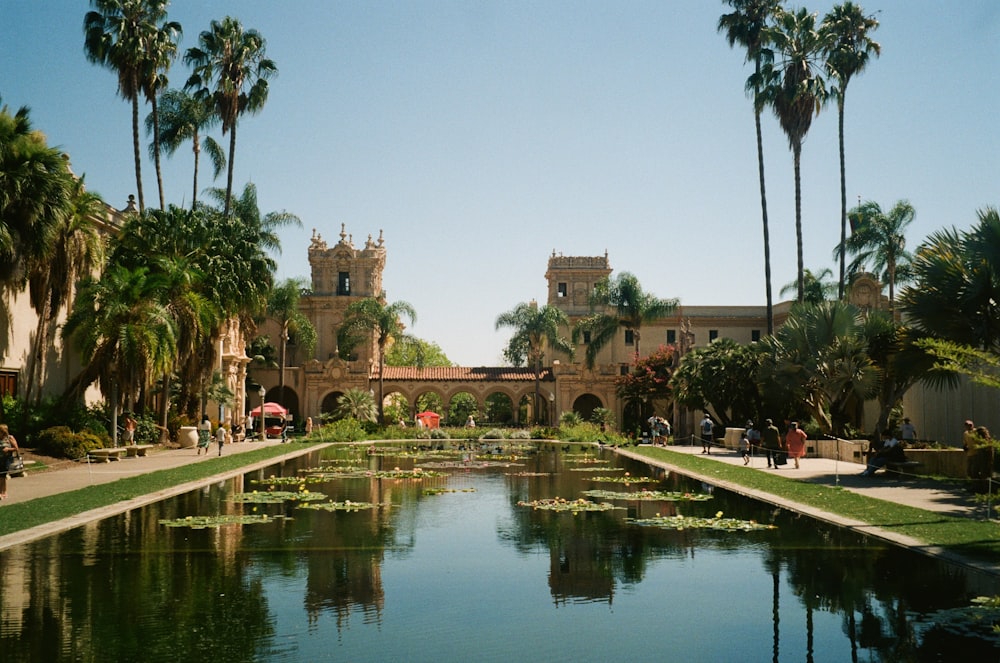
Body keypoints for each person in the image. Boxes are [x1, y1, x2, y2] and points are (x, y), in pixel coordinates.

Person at [0, 424, 19, 499]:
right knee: (1, 477)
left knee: (2, 477)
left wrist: (8, 449)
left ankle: (3, 492)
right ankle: (3, 492)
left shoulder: (10, 438)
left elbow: (16, 448)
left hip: (6, 460)